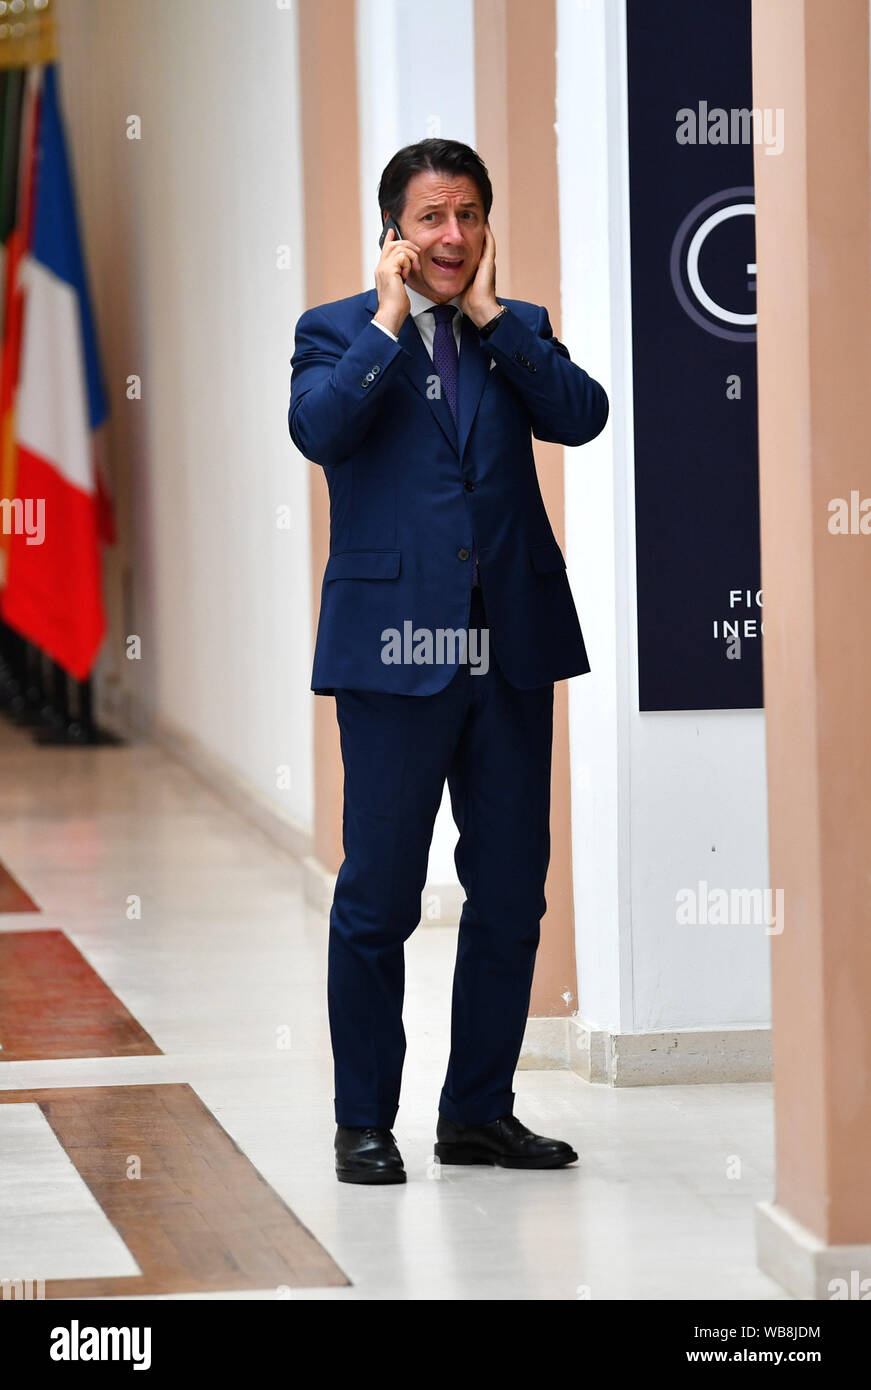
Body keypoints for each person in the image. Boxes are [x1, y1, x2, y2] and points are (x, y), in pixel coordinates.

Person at [288, 138, 609, 1184]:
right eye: (431, 217)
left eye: (469, 214)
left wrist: (487, 321)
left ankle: (476, 1111)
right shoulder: (336, 331)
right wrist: (388, 323)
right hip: (392, 656)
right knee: (378, 896)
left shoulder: (516, 333)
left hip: (508, 650)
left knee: (512, 892)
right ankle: (362, 1121)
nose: (453, 236)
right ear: (393, 230)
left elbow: (581, 416)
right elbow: (320, 430)